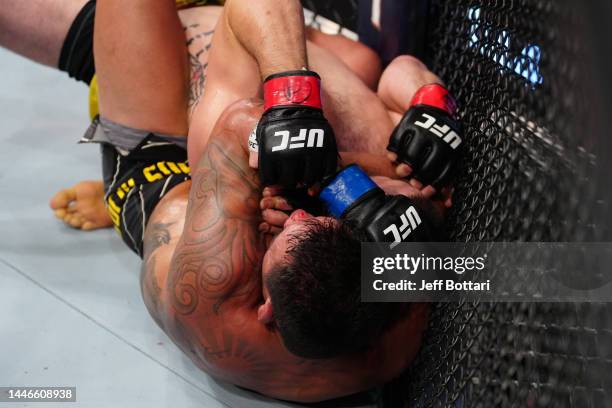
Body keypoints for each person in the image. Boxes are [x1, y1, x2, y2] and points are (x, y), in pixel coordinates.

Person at [0, 0, 460, 402]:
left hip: (164, 171)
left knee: (265, 97)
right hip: (235, 146)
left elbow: (242, 123)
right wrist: (433, 109)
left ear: (265, 309)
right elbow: (517, 273)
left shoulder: (213, 289)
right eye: (314, 217)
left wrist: (343, 183)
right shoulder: (394, 333)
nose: (295, 212)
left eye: (284, 231)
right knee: (365, 79)